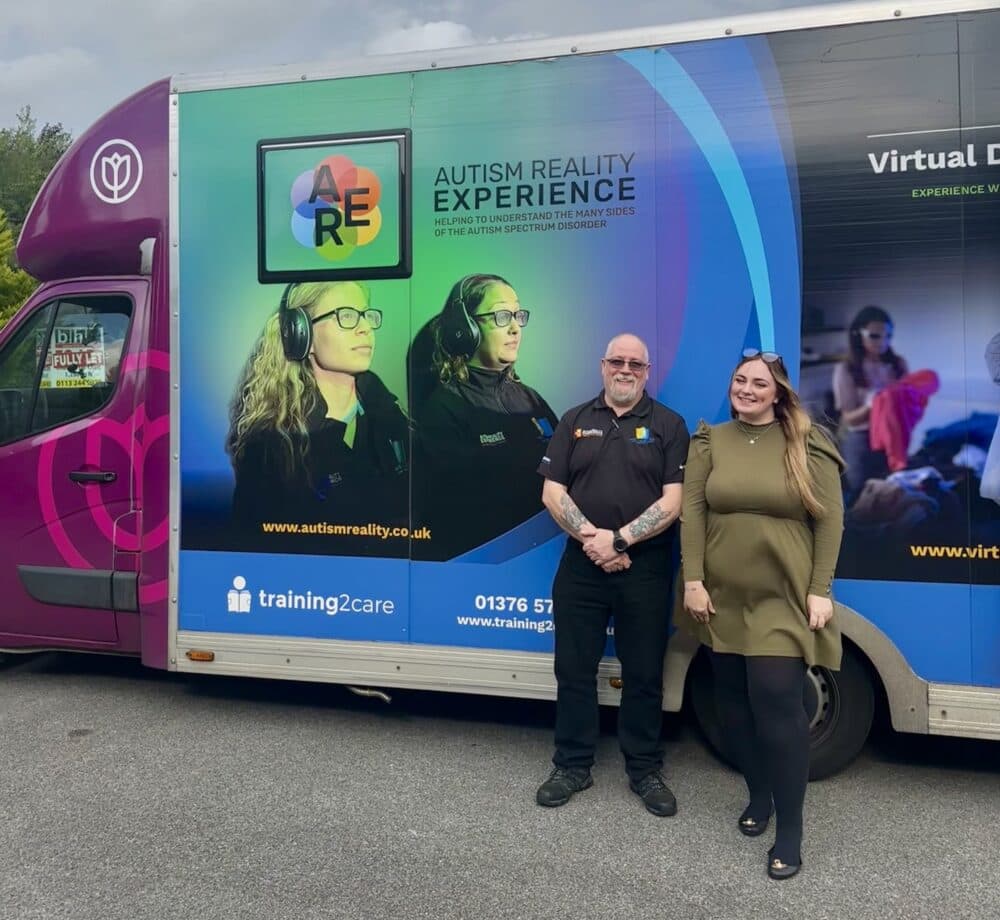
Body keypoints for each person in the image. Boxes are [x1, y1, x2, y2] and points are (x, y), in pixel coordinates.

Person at [679, 348, 845, 880]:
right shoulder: (710, 440)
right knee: (732, 705)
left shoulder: (807, 442)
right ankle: (759, 794)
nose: (747, 390)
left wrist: (820, 590)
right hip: (721, 596)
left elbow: (831, 521)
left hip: (783, 597)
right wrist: (693, 580)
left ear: (778, 393)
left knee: (777, 703)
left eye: (759, 383)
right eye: (740, 380)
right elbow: (692, 513)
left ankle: (790, 830)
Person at [534, 333, 689, 816]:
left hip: (646, 569)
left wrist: (619, 541)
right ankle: (572, 765)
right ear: (603, 366)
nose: (625, 370)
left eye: (635, 364)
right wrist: (596, 542)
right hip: (581, 567)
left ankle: (644, 769)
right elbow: (552, 493)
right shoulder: (574, 420)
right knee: (573, 669)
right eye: (617, 361)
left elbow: (674, 501)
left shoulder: (669, 425)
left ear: (647, 371)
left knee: (643, 673)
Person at [227, 281, 409, 555]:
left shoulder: (386, 409)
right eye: (346, 315)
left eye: (365, 314)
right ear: (302, 333)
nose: (365, 328)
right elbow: (254, 547)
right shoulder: (273, 445)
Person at [412, 273, 558, 560]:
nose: (515, 328)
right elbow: (461, 509)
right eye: (502, 316)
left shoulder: (530, 398)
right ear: (466, 329)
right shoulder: (444, 408)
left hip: (543, 552)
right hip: (490, 560)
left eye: (518, 315)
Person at [832, 306, 909, 502]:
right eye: (875, 336)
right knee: (863, 495)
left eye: (888, 336)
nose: (883, 342)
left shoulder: (898, 364)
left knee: (894, 490)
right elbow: (849, 419)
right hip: (861, 438)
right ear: (858, 335)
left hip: (893, 436)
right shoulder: (846, 369)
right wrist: (871, 405)